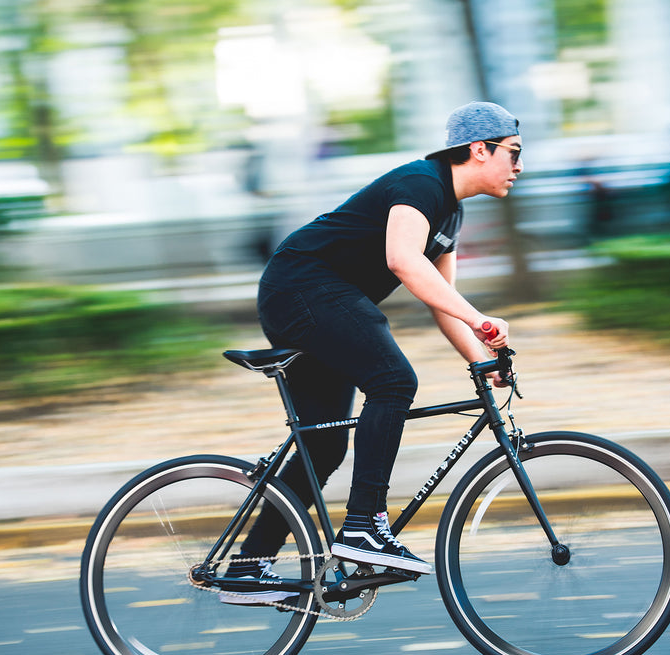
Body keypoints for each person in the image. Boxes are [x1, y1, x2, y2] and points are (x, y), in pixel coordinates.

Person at [222, 101, 521, 604]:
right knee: (393, 381)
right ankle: (363, 527)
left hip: (314, 300)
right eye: (512, 153)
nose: (518, 166)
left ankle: (247, 568)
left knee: (325, 445)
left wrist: (481, 359)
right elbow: (403, 261)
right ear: (479, 149)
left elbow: (440, 301)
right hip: (303, 290)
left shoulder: (451, 209)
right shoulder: (421, 185)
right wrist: (481, 319)